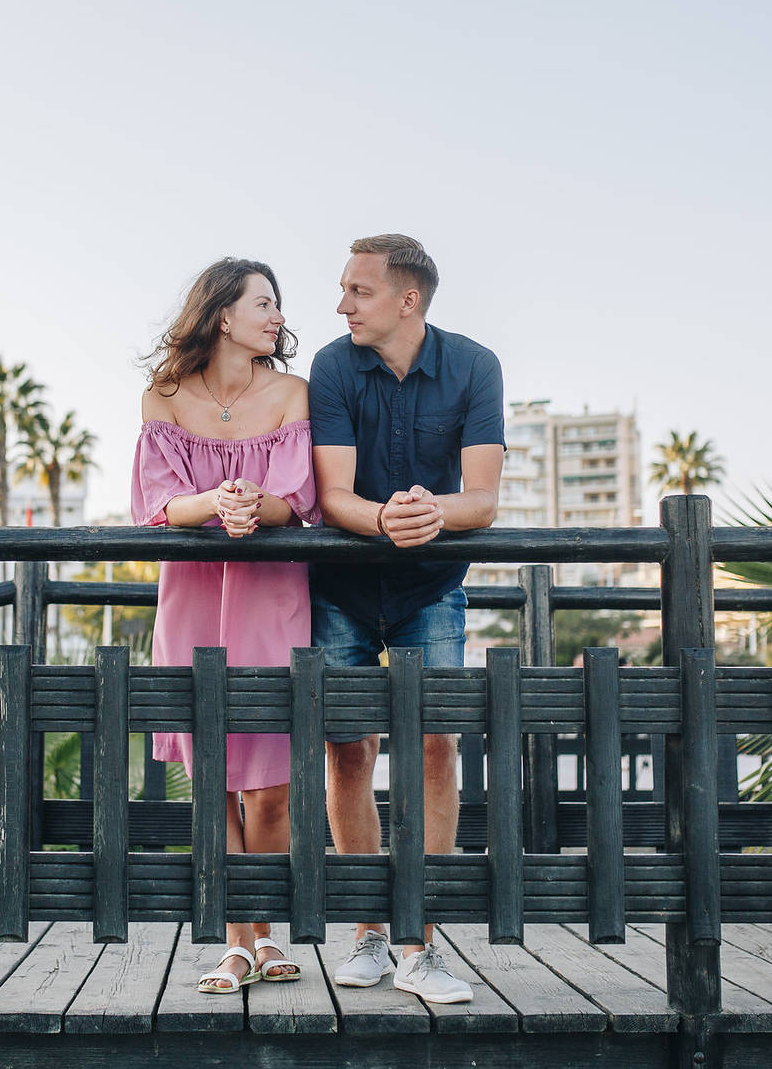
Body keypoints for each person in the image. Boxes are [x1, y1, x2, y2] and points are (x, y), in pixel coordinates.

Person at [309, 233, 503, 1004]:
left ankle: (421, 944)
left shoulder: (474, 365)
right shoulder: (330, 365)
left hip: (432, 583)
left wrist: (432, 511)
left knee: (434, 746)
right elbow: (332, 496)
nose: (342, 303)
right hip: (340, 584)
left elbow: (482, 501)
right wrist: (387, 518)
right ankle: (367, 935)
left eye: (358, 290)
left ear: (407, 299)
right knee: (349, 752)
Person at [132, 257, 320, 994]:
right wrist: (216, 500)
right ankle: (242, 945)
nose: (277, 316)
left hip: (272, 590)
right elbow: (158, 502)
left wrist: (251, 505)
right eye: (263, 303)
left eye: (277, 305)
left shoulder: (293, 392)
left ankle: (264, 934)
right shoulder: (164, 396)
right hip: (193, 595)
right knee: (210, 778)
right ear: (222, 316)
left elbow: (299, 496)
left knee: (270, 782)